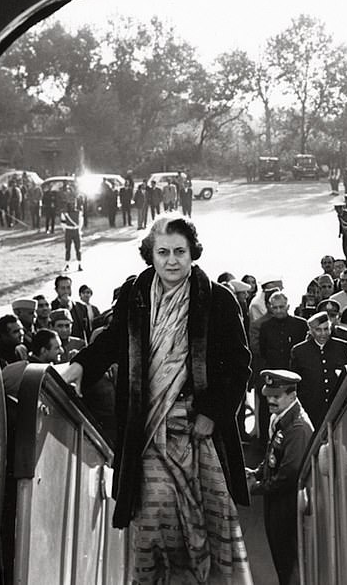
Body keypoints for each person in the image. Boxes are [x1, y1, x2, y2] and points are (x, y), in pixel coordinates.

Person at [61, 215, 252, 583]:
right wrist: (81, 366)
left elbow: (239, 364)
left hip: (198, 431)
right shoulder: (136, 293)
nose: (172, 260)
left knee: (202, 521)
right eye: (162, 252)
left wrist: (212, 412)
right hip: (146, 430)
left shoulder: (217, 298)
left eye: (180, 251)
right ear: (150, 254)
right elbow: (113, 340)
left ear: (192, 252)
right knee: (155, 516)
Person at [246, 370, 314, 585]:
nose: (271, 401)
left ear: (292, 395)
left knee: (288, 562)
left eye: (277, 396)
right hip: (277, 502)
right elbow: (273, 456)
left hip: (287, 504)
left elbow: (289, 475)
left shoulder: (298, 428)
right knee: (281, 560)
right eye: (268, 396)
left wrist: (257, 487)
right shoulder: (281, 419)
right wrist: (257, 472)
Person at [257, 292, 309, 457]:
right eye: (275, 307)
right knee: (270, 411)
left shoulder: (300, 325)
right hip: (274, 376)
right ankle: (267, 447)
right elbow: (263, 351)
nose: (279, 311)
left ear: (288, 307)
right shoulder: (265, 326)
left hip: (294, 376)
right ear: (270, 308)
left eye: (282, 307)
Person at [289, 311, 347, 429]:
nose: (323, 334)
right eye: (318, 330)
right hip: (312, 408)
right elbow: (296, 384)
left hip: (337, 407)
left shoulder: (341, 347)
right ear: (311, 331)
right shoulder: (299, 351)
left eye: (326, 329)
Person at [50, 274, 90, 341]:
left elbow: (87, 331)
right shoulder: (51, 307)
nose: (66, 291)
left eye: (68, 288)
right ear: (56, 290)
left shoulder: (81, 307)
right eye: (63, 288)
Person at [60, 199, 83, 272]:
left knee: (76, 249)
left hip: (70, 231)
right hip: (73, 231)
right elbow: (80, 223)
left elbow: (63, 225)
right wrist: (78, 229)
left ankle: (77, 264)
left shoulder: (66, 213)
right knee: (70, 249)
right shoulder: (66, 213)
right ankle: (70, 264)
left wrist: (69, 229)